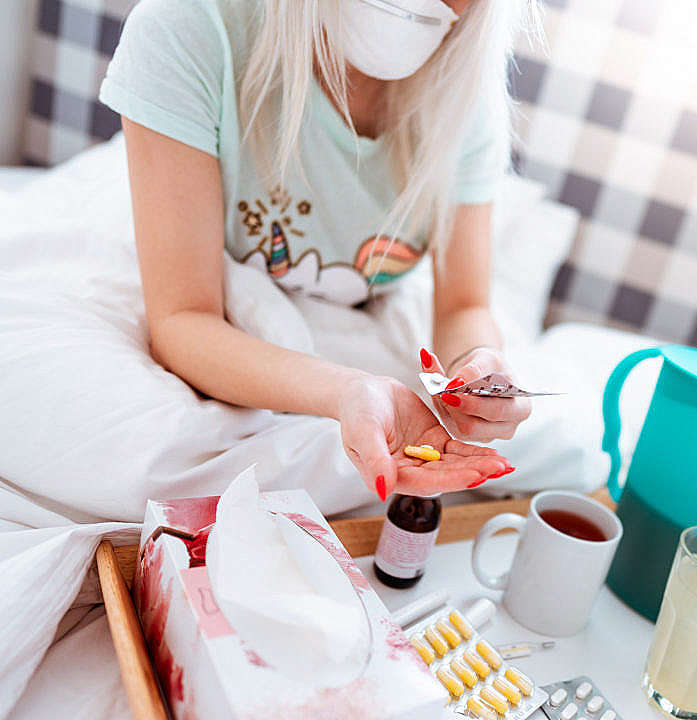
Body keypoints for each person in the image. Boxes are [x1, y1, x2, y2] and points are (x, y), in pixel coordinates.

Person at [99, 0, 540, 502]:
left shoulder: (463, 97)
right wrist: (347, 392)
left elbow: (464, 306)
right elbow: (182, 319)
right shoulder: (188, 31)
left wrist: (479, 369)